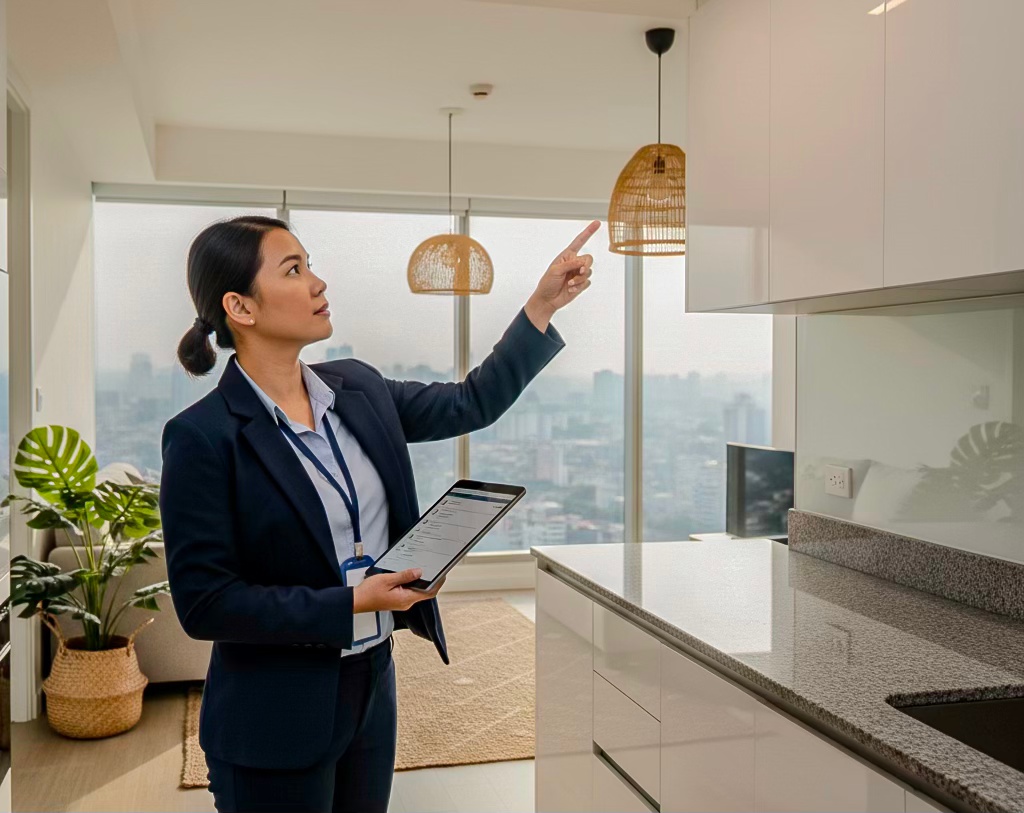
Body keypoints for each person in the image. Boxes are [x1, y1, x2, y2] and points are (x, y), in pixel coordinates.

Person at [159, 214, 598, 813]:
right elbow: (206, 603)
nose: (318, 283)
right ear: (240, 306)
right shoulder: (202, 437)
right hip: (273, 716)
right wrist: (354, 601)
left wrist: (541, 306)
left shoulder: (357, 389)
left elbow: (472, 401)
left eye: (310, 264)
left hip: (371, 685)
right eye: (294, 269)